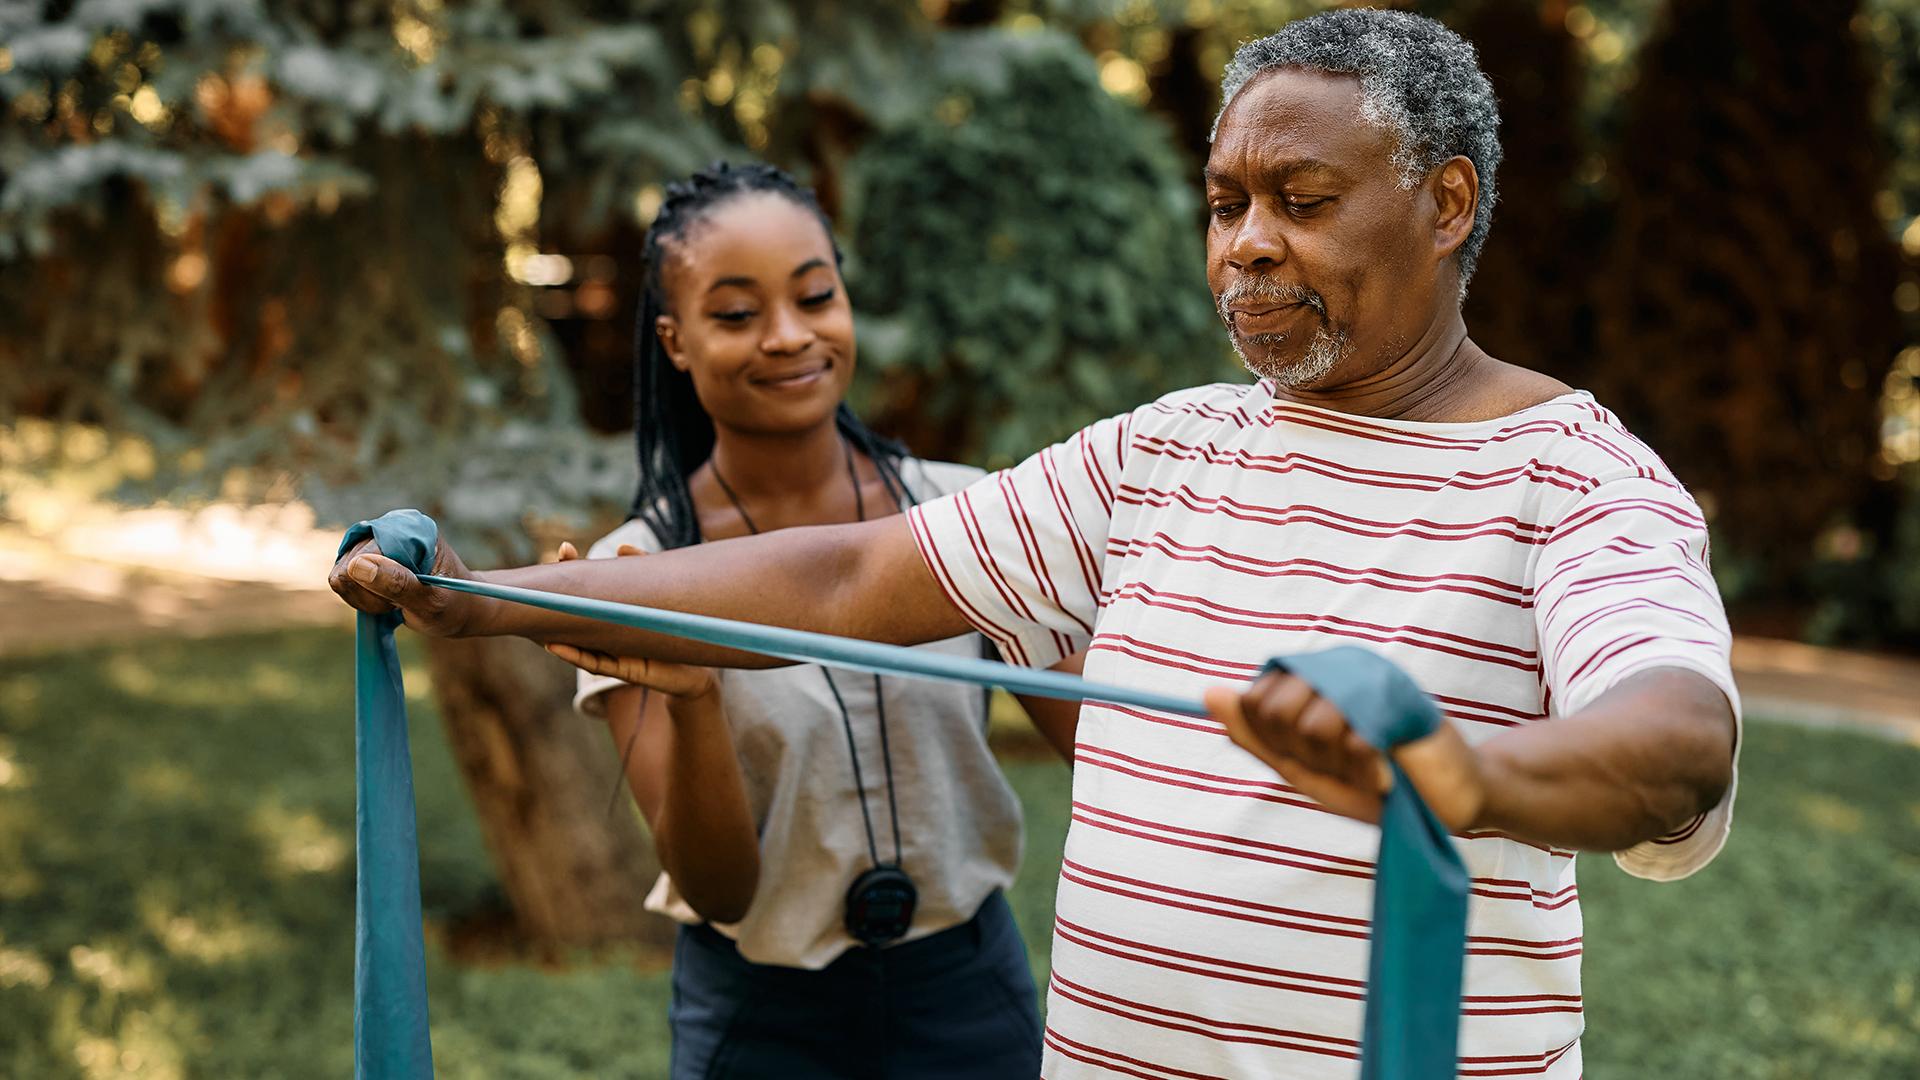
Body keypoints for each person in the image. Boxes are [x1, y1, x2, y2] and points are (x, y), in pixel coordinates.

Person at [332, 11, 1740, 1078]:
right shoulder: (1166, 446)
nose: (1245, 245)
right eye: (1225, 202)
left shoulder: (1575, 476)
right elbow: (846, 572)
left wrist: (1461, 770)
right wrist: (481, 604)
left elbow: (1675, 738)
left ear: (1445, 205)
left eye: (1300, 201)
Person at [541, 162, 1079, 1078]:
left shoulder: (967, 514)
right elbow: (718, 890)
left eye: (815, 296)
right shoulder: (637, 575)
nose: (789, 337)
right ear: (675, 340)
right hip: (762, 1017)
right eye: (738, 314)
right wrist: (695, 693)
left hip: (968, 991)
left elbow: (1106, 748)